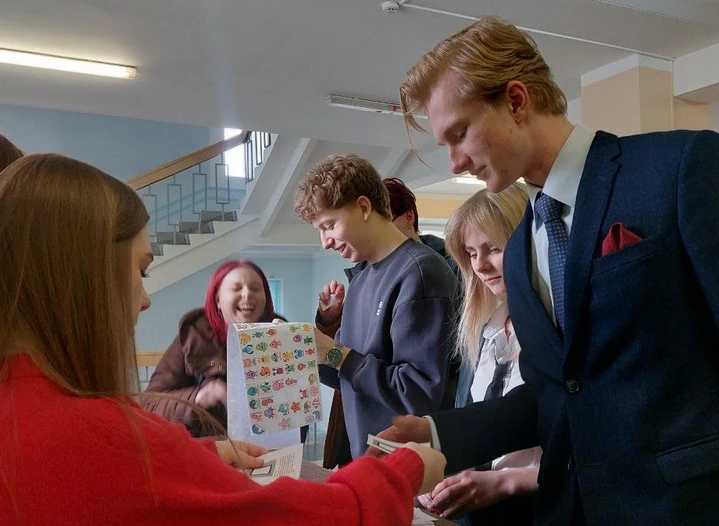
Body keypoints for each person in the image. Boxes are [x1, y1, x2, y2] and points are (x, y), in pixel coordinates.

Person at [371, 15, 719, 526]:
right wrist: (438, 432)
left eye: (460, 134)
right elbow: (556, 392)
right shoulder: (520, 251)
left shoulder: (678, 167)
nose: (455, 162)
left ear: (516, 100)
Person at [0, 153, 447, 525]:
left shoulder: (412, 272)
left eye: (255, 289)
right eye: (142, 271)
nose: (145, 301)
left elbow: (401, 385)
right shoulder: (126, 415)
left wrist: (319, 352)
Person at [295, 153, 458, 460]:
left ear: (363, 207)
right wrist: (300, 349)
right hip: (370, 463)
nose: (324, 242)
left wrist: (334, 352)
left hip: (411, 469)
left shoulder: (420, 273)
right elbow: (348, 374)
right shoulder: (361, 279)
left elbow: (416, 395)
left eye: (329, 225)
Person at [419, 185, 540, 526]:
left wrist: (504, 482)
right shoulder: (485, 331)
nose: (480, 266)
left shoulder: (561, 333)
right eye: (471, 253)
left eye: (494, 249)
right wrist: (444, 474)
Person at [143, 259, 286, 438]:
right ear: (218, 300)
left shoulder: (282, 335)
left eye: (256, 288)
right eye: (236, 288)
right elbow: (149, 404)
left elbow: (300, 411)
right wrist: (198, 397)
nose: (247, 294)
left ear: (266, 298)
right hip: (210, 448)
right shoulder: (193, 336)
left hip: (269, 448)